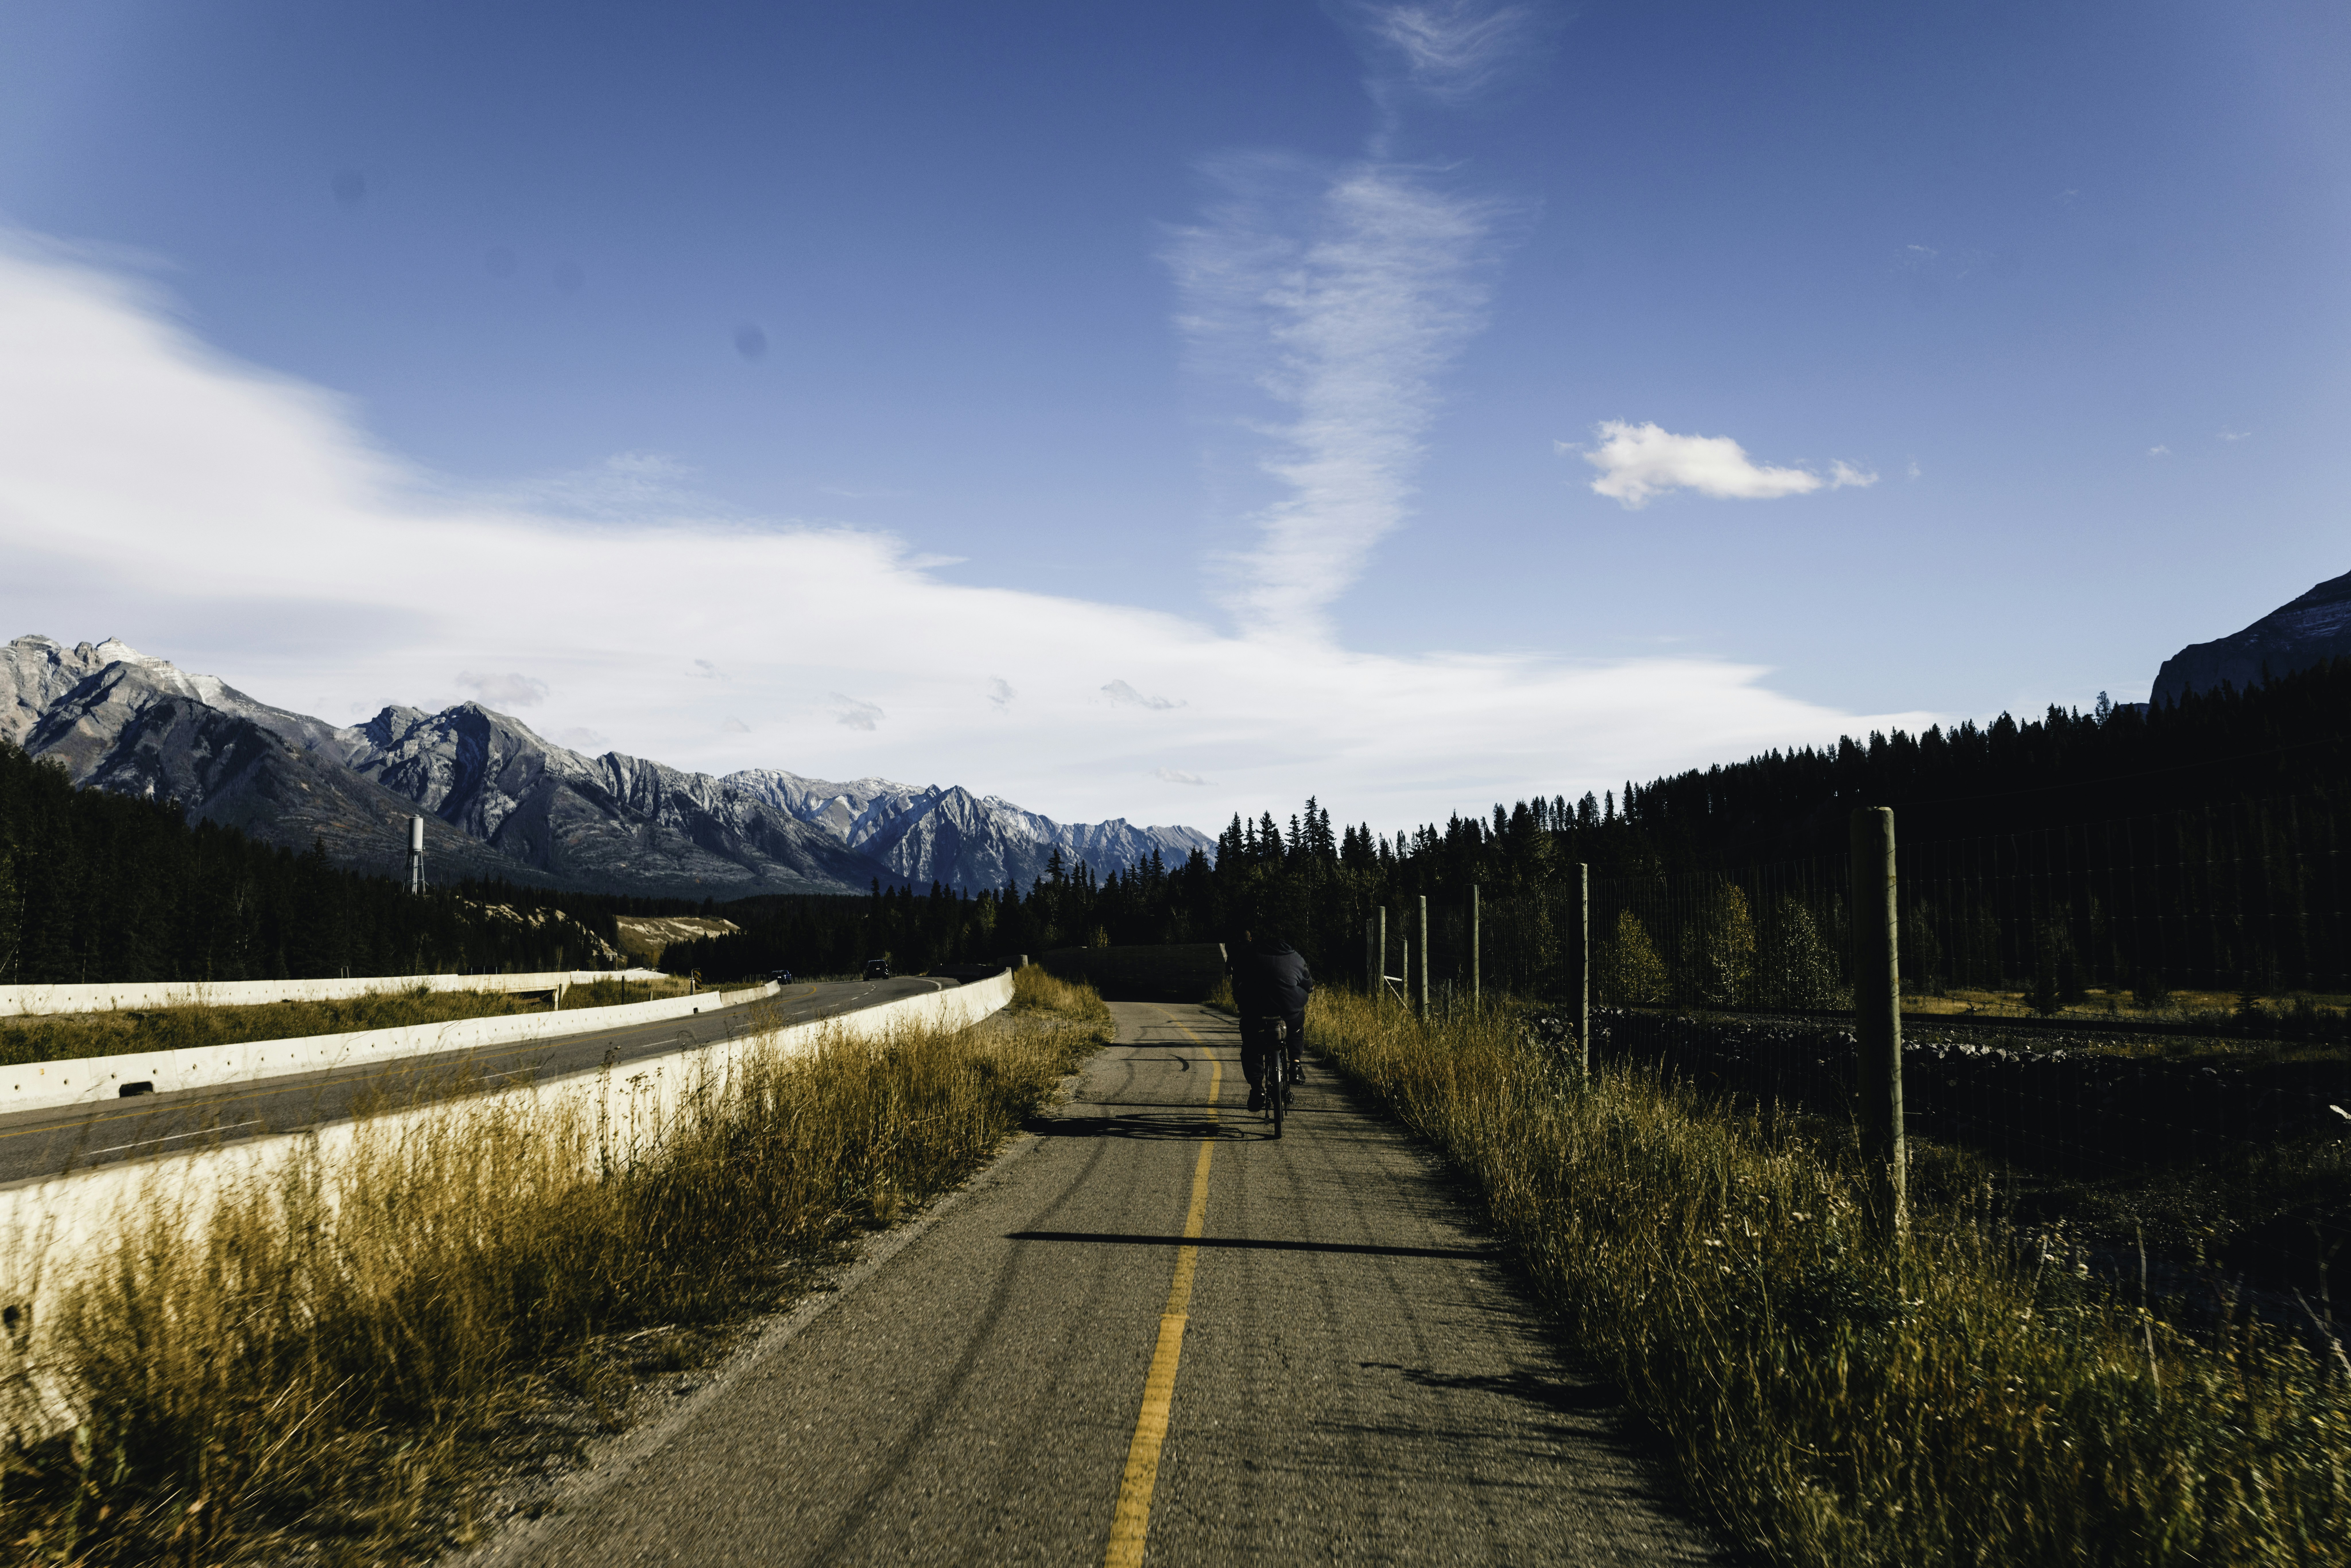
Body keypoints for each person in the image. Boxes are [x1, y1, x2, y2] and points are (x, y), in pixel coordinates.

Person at [1228, 927, 1312, 1113]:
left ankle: (1257, 1088)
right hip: (1288, 1016)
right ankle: (1296, 1066)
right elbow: (1308, 984)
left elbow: (1237, 980)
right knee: (1298, 1021)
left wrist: (1240, 999)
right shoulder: (1295, 957)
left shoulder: (1249, 954)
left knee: (1251, 1044)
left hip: (1257, 1015)